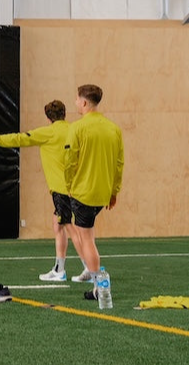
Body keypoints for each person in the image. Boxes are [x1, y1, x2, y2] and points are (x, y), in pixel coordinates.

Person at [0, 100, 88, 282]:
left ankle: (88, 267)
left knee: (69, 227)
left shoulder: (48, 132)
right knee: (57, 224)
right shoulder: (74, 130)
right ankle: (59, 269)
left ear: (48, 117)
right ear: (64, 114)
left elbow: (18, 138)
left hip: (61, 189)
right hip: (77, 188)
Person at [63, 84, 123, 299]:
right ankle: (97, 280)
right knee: (87, 233)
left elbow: (70, 161)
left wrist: (68, 185)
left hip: (83, 192)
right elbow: (119, 163)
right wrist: (114, 191)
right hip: (102, 192)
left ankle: (100, 286)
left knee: (86, 239)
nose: (76, 103)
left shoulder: (77, 128)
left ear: (85, 102)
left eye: (77, 100)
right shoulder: (113, 129)